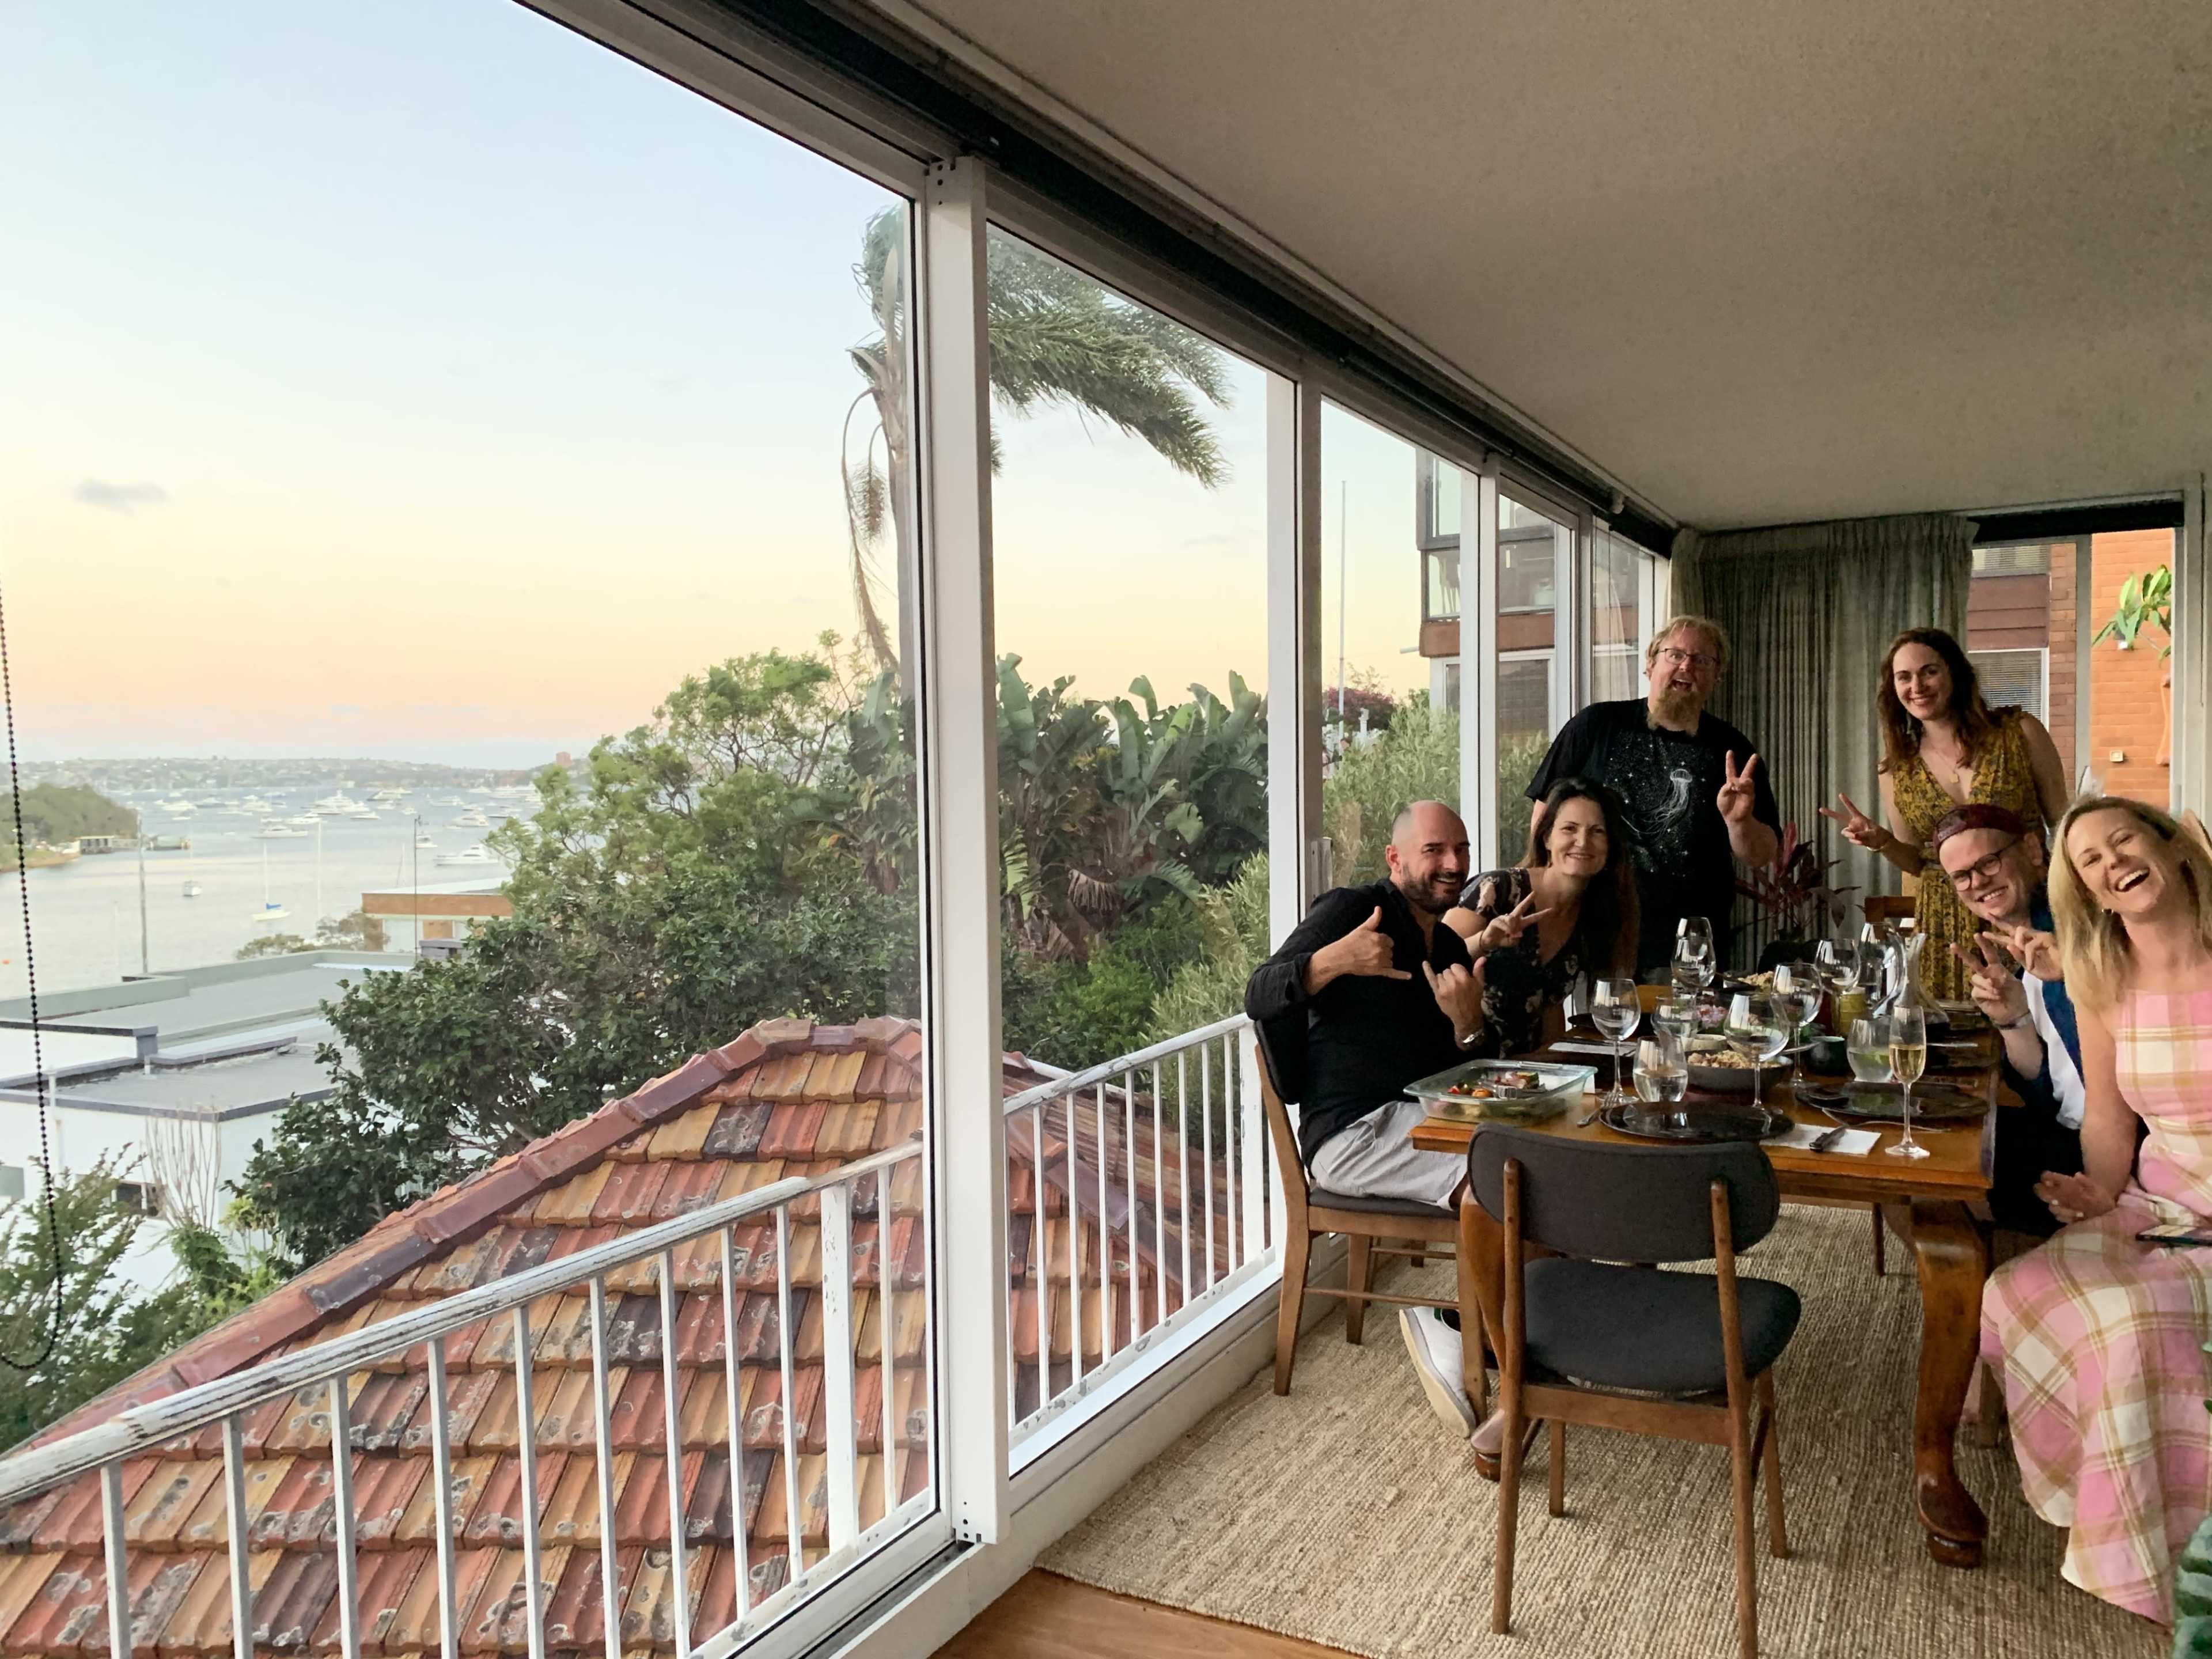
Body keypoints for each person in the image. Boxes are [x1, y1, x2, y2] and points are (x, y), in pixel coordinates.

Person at [1980, 796, 2212, 1623]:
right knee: (2016, 1289)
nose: (2112, 862)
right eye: (2091, 862)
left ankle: (2169, 1558)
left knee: (2131, 1325)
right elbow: (2111, 1117)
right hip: (2160, 1200)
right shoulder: (2106, 979)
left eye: (2125, 842)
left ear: (2177, 850)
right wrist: (2100, 1191)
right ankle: (2122, 1509)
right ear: (2091, 894)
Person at [1244, 800, 1487, 1438]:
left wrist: (1468, 1026)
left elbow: (1466, 1064)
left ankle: (1511, 1339)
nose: (1453, 864)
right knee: (1503, 1185)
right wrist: (1333, 962)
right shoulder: (1354, 911)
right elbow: (1258, 991)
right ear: (1396, 858)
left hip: (1421, 1121)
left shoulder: (1452, 943)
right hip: (1350, 1136)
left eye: (1459, 850)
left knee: (1540, 1158)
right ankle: (1459, 1333)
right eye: (1435, 850)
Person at [1819, 626, 2068, 999]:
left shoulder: (2020, 732)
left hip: (2028, 905)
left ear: (1955, 673)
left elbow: (2063, 825)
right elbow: (1919, 862)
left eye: (1929, 671)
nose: (1917, 685)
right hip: (1946, 920)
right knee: (1961, 1039)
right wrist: (1881, 841)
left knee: (2047, 1023)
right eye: (1904, 677)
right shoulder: (1896, 768)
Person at [1524, 615, 1779, 979]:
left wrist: (1739, 822)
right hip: (1598, 930)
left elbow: (1762, 855)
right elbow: (1543, 826)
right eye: (1675, 654)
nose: (1687, 666)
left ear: (1715, 678)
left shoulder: (1733, 749)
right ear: (1650, 663)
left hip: (1692, 944)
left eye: (1702, 660)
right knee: (1604, 1033)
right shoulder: (1596, 725)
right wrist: (1544, 906)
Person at [1928, 802, 2085, 1236]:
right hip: (2064, 1128)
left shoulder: (2079, 929)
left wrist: (2078, 968)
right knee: (1930, 1131)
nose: (1978, 882)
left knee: (1929, 1166)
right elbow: (2049, 1080)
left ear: (2033, 850)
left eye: (1989, 862)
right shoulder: (2025, 944)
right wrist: (2013, 1019)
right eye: (1962, 876)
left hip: (2109, 1150)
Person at [1444, 777, 1640, 1056]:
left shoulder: (1594, 915)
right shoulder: (1498, 890)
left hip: (1525, 1077)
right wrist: (1485, 941)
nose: (1583, 842)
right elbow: (1435, 966)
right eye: (1569, 829)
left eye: (1597, 831)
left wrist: (1561, 1068)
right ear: (1547, 837)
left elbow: (1549, 1010)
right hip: (1458, 1067)